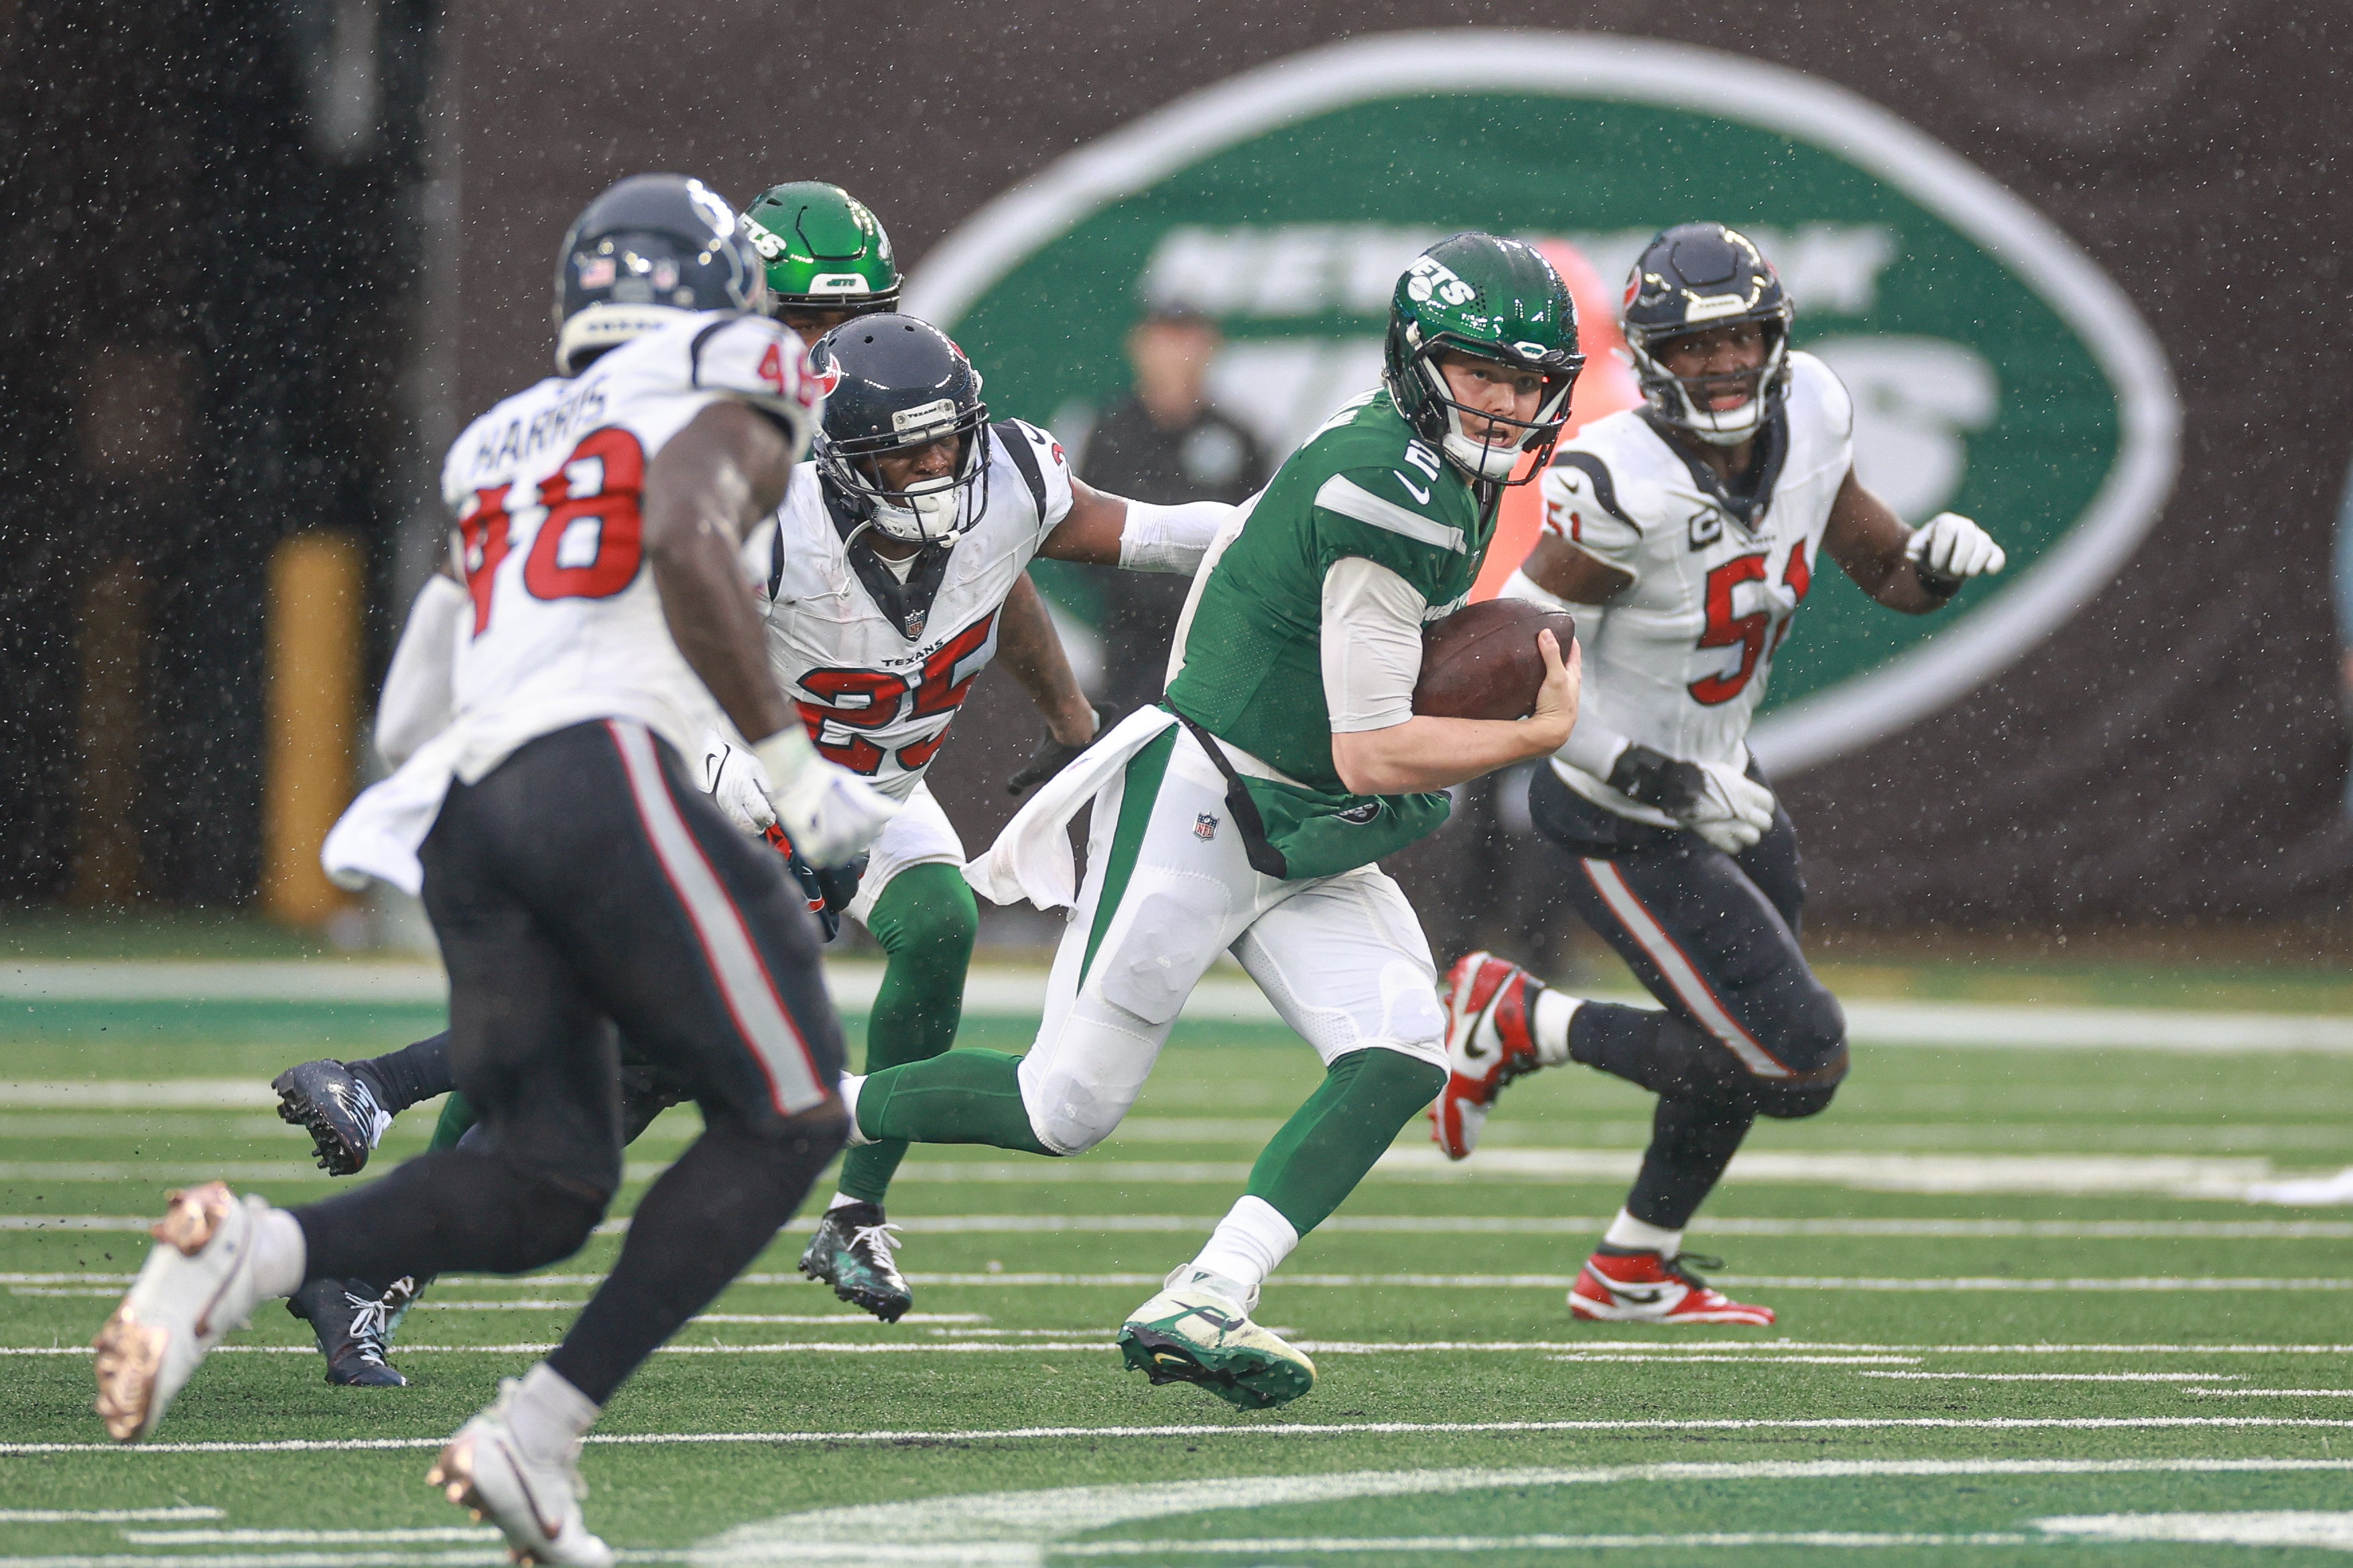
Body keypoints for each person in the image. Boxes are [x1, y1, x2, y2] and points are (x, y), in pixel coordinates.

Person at [92, 174, 896, 1568]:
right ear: (721, 296)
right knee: (794, 1113)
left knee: (547, 1183)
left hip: (469, 815)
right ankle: (537, 1434)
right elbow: (686, 535)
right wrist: (791, 768)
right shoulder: (742, 381)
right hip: (601, 773)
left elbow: (415, 702)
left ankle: (259, 1254)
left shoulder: (500, 439)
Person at [267, 181, 1110, 1376]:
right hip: (701, 735)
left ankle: (853, 1210)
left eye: (856, 318)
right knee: (640, 1017)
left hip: (828, 753)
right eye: (806, 324)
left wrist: (1066, 708)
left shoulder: (859, 431)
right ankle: (382, 1182)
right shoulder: (707, 430)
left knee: (917, 929)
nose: (832, 349)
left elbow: (983, 550)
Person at [830, 233, 1584, 1409]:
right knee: (1058, 1109)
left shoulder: (1430, 465)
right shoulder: (1389, 485)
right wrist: (1530, 736)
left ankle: (1211, 1292)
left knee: (1399, 1053)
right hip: (1209, 798)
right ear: (1417, 361)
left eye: (1527, 382)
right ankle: (776, 1096)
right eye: (1479, 373)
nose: (1504, 404)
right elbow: (1372, 747)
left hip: (1310, 823)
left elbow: (1267, 565)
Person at [1428, 223, 2007, 1325]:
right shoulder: (1619, 480)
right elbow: (1516, 675)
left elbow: (1883, 570)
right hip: (1614, 811)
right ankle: (1520, 1018)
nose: (1722, 364)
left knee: (1737, 1038)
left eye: (1738, 338)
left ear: (1775, 337)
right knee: (1796, 1063)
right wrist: (1655, 779)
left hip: (1724, 783)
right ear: (1650, 359)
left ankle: (1634, 1261)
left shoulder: (1817, 412)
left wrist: (1930, 566)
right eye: (1692, 347)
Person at [1078, 303, 1269, 714]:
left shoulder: (1238, 436)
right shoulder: (1112, 434)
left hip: (1216, 643)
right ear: (1139, 347)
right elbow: (1081, 533)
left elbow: (1263, 535)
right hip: (1131, 643)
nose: (1177, 354)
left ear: (1211, 346)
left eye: (1188, 339)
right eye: (1165, 340)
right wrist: (1148, 591)